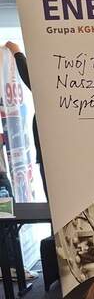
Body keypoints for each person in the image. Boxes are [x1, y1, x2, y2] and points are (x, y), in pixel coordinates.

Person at [4, 41, 47, 201]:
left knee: (57, 202)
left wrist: (17, 53)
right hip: (48, 153)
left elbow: (33, 81)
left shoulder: (52, 91)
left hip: (51, 154)